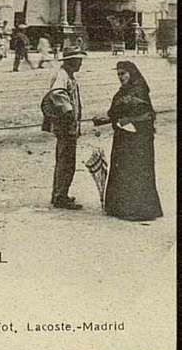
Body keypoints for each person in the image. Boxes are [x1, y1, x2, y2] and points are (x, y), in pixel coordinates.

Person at [93, 61, 163, 221]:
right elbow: (115, 113)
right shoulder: (122, 92)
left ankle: (138, 210)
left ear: (131, 73)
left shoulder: (139, 91)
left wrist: (125, 121)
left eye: (123, 73)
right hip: (123, 139)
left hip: (138, 140)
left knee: (135, 172)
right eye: (118, 74)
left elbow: (148, 116)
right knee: (122, 170)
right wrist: (104, 119)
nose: (120, 77)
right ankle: (120, 207)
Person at [42, 47, 85, 209]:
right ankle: (61, 197)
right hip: (66, 126)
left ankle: (59, 194)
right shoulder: (62, 75)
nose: (80, 63)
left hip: (67, 125)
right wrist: (68, 112)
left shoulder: (67, 75)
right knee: (67, 161)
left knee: (63, 160)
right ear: (70, 61)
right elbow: (57, 94)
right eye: (78, 60)